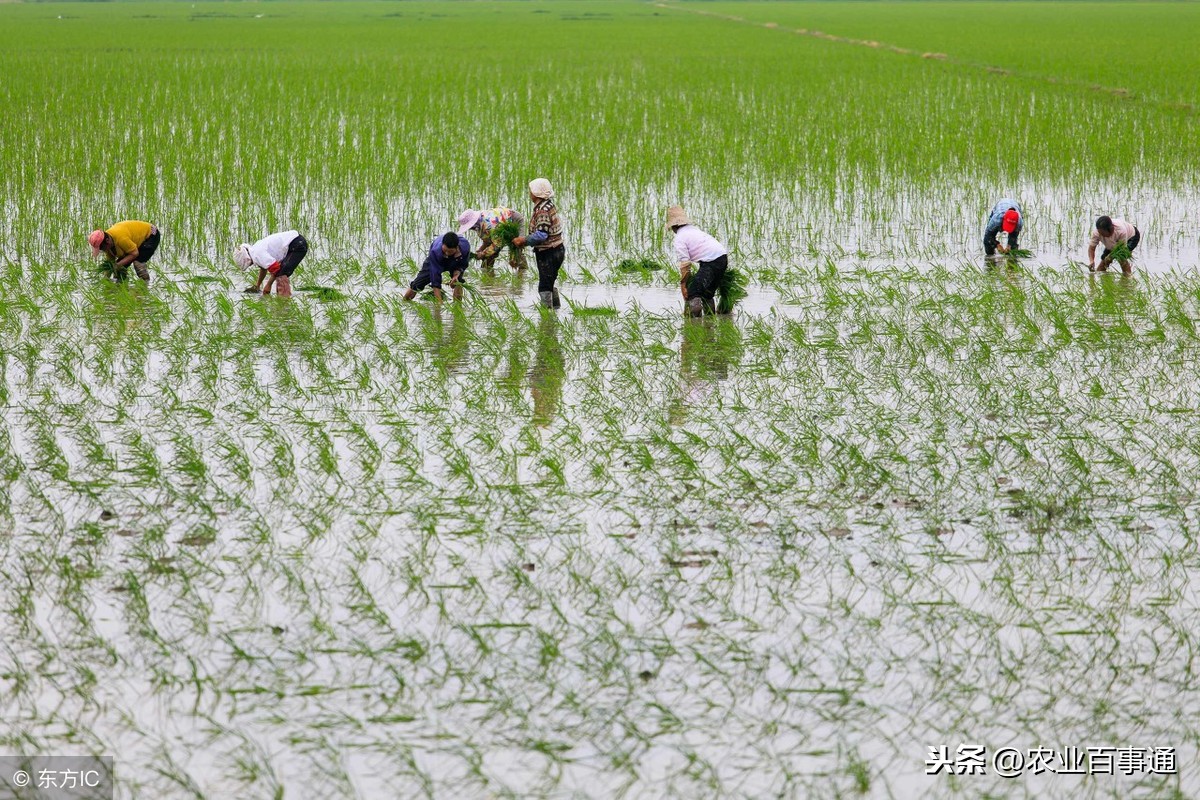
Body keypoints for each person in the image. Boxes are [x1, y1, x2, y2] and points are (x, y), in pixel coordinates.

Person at [666, 205, 728, 317]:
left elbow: (685, 264)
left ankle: (694, 324)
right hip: (722, 257)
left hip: (711, 261)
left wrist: (683, 285)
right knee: (708, 293)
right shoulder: (693, 229)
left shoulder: (679, 238)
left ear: (673, 226)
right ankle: (710, 323)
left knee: (693, 293)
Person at [512, 178, 565, 309]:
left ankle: (546, 317)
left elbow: (542, 235)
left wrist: (523, 240)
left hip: (548, 252)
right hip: (558, 249)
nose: (529, 193)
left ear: (536, 194)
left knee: (544, 286)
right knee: (549, 282)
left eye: (531, 191)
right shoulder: (548, 204)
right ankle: (556, 309)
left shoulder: (542, 211)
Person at [233, 231, 309, 297]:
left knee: (281, 274)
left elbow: (276, 269)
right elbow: (263, 268)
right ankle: (282, 297)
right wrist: (257, 286)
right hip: (295, 240)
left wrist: (268, 285)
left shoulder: (257, 254)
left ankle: (284, 302)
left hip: (297, 245)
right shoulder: (255, 250)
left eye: (249, 265)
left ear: (246, 259)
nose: (250, 265)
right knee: (281, 273)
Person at [404, 232, 471, 302]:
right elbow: (435, 279)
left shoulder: (465, 247)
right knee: (417, 284)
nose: (447, 253)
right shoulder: (435, 251)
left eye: (450, 251)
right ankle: (404, 302)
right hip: (437, 259)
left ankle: (458, 307)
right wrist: (439, 304)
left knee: (458, 282)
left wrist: (456, 275)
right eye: (445, 250)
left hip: (455, 259)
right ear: (442, 244)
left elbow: (462, 265)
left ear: (457, 248)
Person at [457, 207, 527, 272]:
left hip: (514, 221)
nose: (469, 228)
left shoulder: (489, 224)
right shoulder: (479, 224)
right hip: (501, 228)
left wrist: (483, 254)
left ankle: (523, 275)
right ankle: (488, 277)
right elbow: (487, 240)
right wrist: (481, 249)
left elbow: (497, 244)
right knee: (488, 258)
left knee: (516, 252)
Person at [87, 220, 160, 282]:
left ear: (107, 241)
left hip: (151, 234)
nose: (102, 250)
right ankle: (121, 287)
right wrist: (106, 279)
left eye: (102, 248)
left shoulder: (121, 238)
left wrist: (117, 265)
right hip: (134, 241)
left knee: (138, 263)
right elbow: (111, 261)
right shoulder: (107, 243)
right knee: (119, 271)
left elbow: (134, 253)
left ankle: (146, 286)